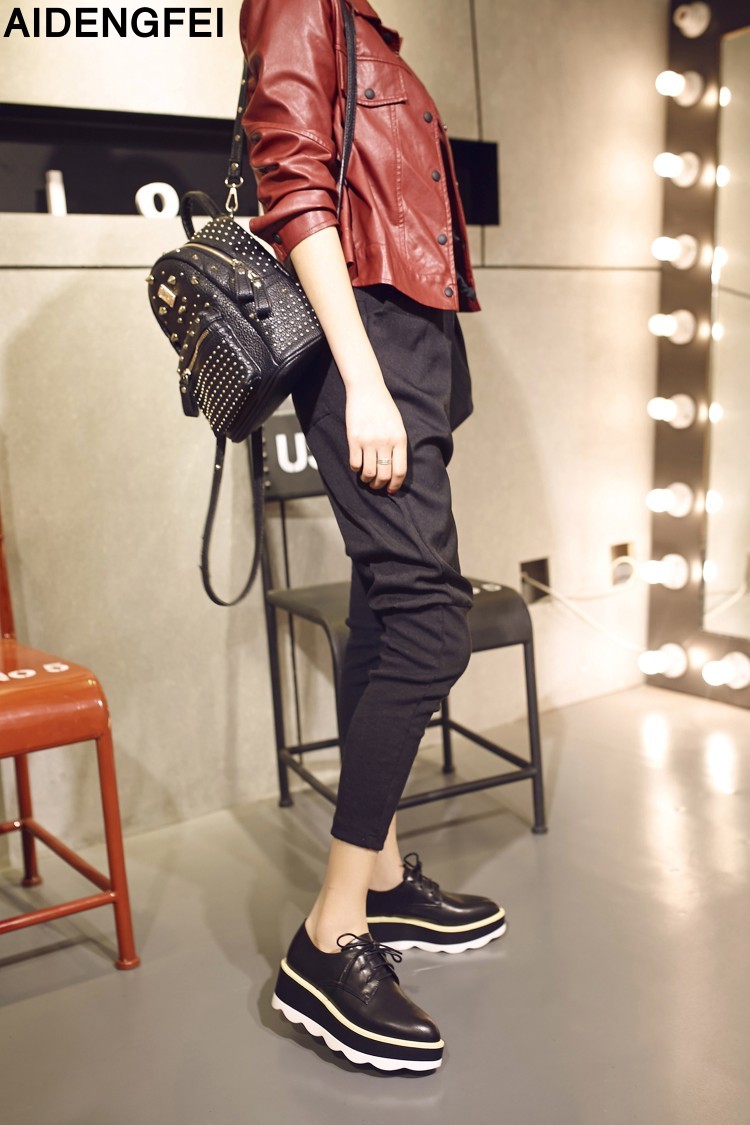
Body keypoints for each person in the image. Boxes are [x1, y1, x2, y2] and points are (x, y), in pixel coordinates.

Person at [240, 0, 505, 1073]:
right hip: (369, 335)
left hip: (409, 333)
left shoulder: (367, 27)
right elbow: (295, 187)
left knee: (391, 611)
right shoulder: (302, 4)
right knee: (434, 623)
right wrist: (361, 378)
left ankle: (384, 883)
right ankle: (329, 932)